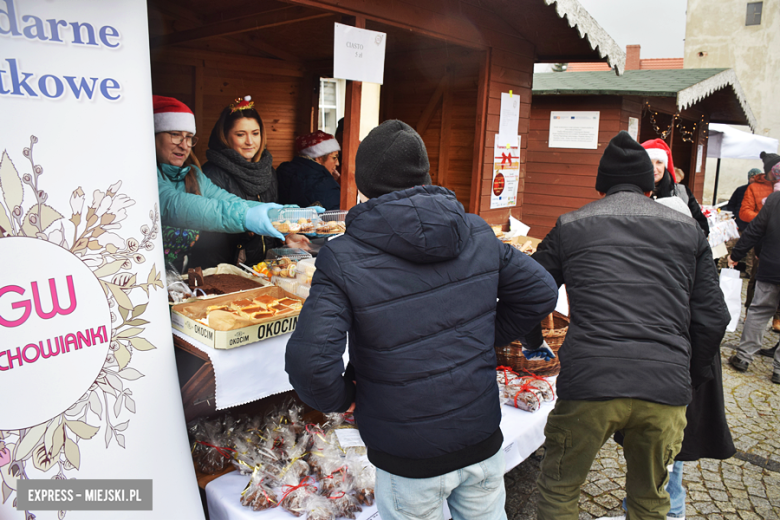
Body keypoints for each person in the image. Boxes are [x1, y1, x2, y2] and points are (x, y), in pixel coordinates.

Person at [285, 120, 559, 520]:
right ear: (425, 175)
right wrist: (486, 337)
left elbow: (311, 367)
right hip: (477, 437)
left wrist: (347, 397)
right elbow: (541, 290)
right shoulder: (476, 232)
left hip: (409, 453)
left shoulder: (343, 256)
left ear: (363, 184)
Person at [527, 131, 729, 520]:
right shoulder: (688, 230)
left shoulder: (570, 225)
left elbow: (530, 289)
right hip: (664, 385)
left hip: (590, 381)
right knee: (650, 500)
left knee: (560, 488)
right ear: (648, 182)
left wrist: (535, 340)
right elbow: (713, 317)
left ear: (602, 183)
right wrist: (688, 375)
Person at [153, 95, 293, 272]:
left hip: (181, 278)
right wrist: (246, 217)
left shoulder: (193, 174)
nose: (184, 145)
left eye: (189, 137)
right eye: (175, 135)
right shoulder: (145, 177)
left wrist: (281, 214)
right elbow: (180, 205)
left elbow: (227, 200)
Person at [188, 96, 310, 269]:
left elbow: (271, 217)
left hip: (263, 268)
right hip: (226, 270)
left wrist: (286, 234)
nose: (250, 142)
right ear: (225, 136)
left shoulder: (267, 170)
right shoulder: (212, 173)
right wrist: (248, 228)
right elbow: (210, 229)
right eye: (240, 134)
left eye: (255, 133)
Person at [728, 189, 780, 384]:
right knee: (760, 310)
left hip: (772, 266)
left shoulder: (775, 198)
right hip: (771, 265)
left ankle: (743, 356)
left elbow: (756, 229)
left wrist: (736, 254)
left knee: (759, 311)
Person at [740, 153, 780, 330]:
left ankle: (777, 318)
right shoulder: (755, 187)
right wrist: (766, 219)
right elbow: (744, 212)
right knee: (756, 277)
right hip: (761, 240)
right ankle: (750, 311)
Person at [642, 138, 709, 235]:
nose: (654, 169)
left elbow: (702, 226)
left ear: (665, 165)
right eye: (649, 163)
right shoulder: (634, 192)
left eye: (659, 162)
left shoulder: (682, 192)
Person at [277, 130, 341, 210]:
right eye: (334, 158)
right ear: (319, 158)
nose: (337, 163)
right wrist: (331, 183)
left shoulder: (283, 171)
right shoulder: (326, 184)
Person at [726, 167, 762, 232]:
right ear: (749, 178)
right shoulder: (740, 190)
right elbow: (731, 205)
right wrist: (735, 215)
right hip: (739, 225)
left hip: (756, 227)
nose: (755, 180)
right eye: (753, 177)